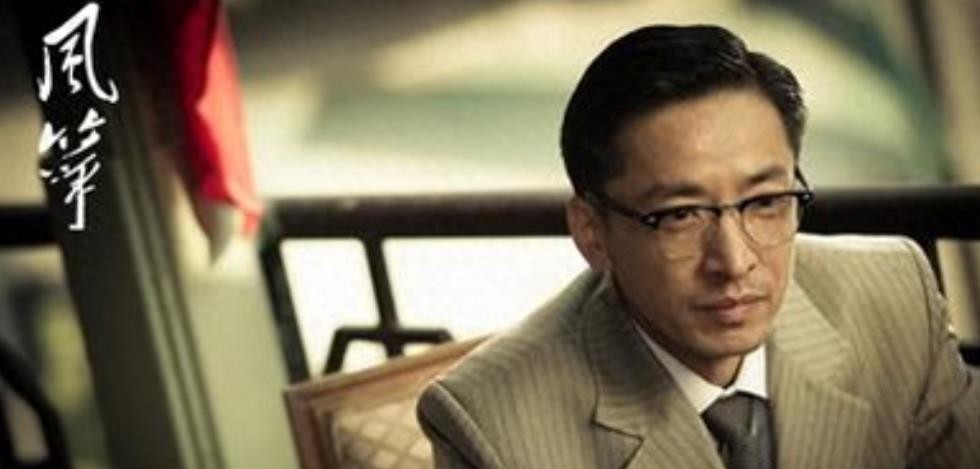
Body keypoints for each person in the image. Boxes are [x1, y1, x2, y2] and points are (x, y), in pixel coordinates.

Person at [416, 24, 980, 469]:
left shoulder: (893, 298)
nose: (735, 262)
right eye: (680, 215)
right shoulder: (494, 424)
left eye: (765, 201)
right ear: (592, 232)